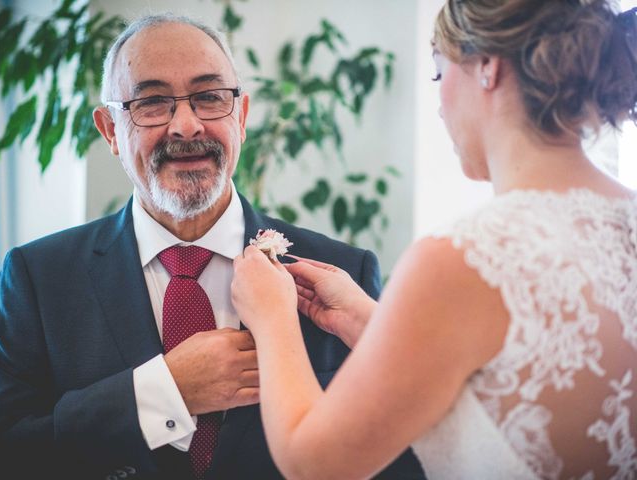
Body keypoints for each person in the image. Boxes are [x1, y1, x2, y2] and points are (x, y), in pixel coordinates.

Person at [0, 13, 425, 480]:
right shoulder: (38, 277)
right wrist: (166, 390)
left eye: (209, 98)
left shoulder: (345, 273)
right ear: (109, 132)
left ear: (240, 116)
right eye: (153, 102)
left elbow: (397, 462)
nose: (186, 125)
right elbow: (12, 452)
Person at [230, 0, 637, 478]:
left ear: (487, 67)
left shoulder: (466, 258)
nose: (440, 107)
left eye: (439, 74)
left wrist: (272, 317)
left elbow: (312, 463)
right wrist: (372, 324)